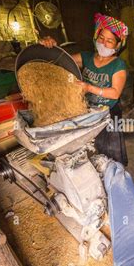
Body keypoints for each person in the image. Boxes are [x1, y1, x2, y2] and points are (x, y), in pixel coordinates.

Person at [40, 13, 129, 166]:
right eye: (101, 38)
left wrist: (89, 88)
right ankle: (95, 169)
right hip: (87, 110)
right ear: (96, 36)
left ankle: (115, 172)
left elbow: (115, 92)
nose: (104, 43)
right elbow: (59, 60)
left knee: (111, 147)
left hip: (108, 111)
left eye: (110, 41)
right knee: (91, 144)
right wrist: (51, 46)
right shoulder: (86, 57)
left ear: (117, 45)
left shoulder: (118, 65)